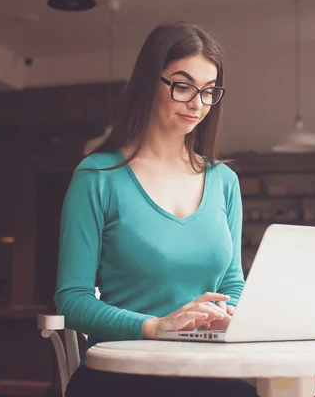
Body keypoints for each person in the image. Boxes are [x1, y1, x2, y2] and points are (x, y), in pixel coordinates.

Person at [55, 21, 258, 397]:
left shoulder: (223, 180)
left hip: (205, 369)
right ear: (150, 83)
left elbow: (231, 284)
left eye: (209, 91)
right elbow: (73, 300)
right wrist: (156, 326)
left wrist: (237, 318)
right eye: (182, 86)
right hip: (121, 372)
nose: (197, 103)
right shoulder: (98, 176)